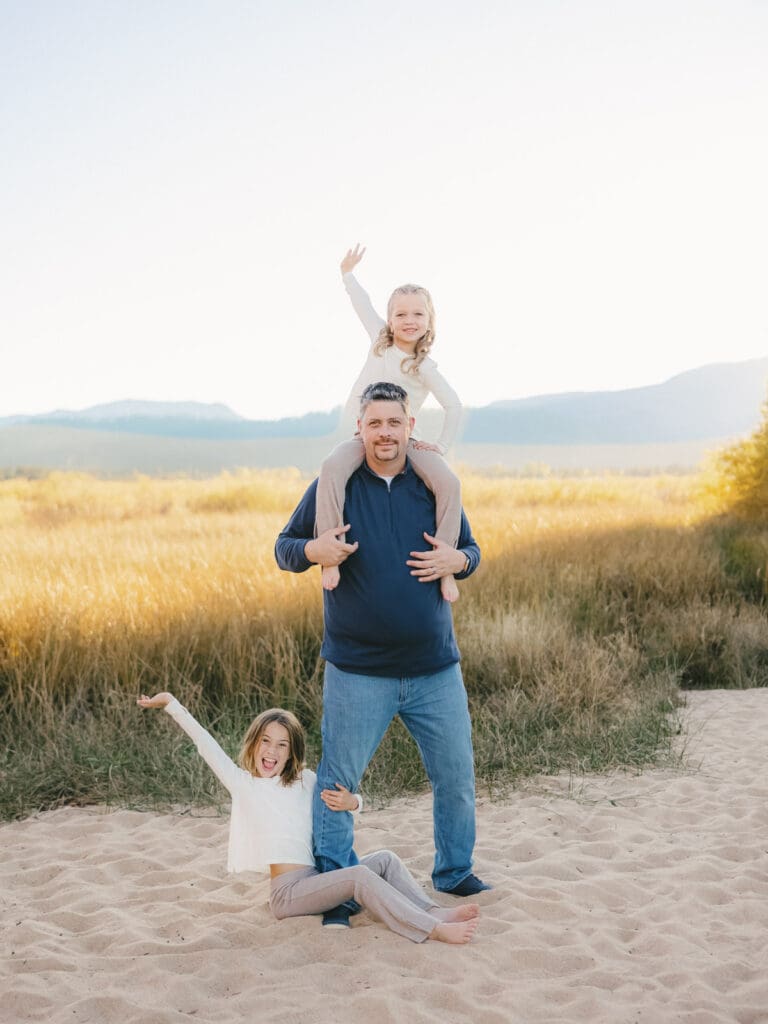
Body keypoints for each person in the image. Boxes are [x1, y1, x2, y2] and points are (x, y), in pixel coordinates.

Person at [275, 381, 491, 929]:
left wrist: (458, 564)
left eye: (394, 423)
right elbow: (283, 548)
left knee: (456, 776)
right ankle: (338, 891)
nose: (385, 434)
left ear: (410, 427)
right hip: (357, 670)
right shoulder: (336, 483)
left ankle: (455, 873)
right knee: (337, 784)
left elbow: (471, 550)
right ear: (360, 428)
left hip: (434, 668)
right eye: (375, 424)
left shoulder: (431, 486)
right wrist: (312, 552)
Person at [136, 692, 480, 944]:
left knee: (385, 860)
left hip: (316, 878)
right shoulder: (243, 784)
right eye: (266, 741)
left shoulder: (306, 781)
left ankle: (433, 911)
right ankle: (430, 928)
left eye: (282, 745)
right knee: (359, 876)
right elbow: (204, 742)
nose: (271, 751)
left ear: (292, 752)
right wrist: (171, 705)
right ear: (254, 743)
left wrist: (353, 802)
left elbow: (355, 801)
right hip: (288, 893)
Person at [316, 244, 463, 603]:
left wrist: (441, 446)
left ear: (429, 321)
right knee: (332, 467)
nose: (408, 321)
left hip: (403, 439)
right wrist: (347, 275)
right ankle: (330, 558)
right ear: (390, 319)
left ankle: (444, 566)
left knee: (448, 480)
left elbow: (454, 406)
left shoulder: (425, 367)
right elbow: (361, 305)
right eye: (400, 314)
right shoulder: (380, 343)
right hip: (363, 434)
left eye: (417, 314)